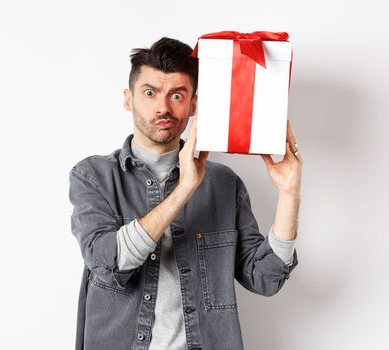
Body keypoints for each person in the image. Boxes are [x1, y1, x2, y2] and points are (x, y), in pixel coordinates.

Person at [68, 37, 302, 350]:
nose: (163, 107)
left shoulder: (224, 184)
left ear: (194, 104)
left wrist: (289, 195)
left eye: (176, 95)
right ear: (128, 99)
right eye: (150, 93)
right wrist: (184, 188)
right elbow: (109, 265)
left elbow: (265, 279)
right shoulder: (94, 176)